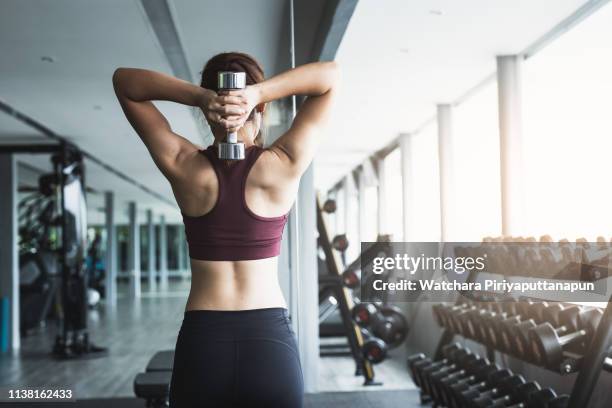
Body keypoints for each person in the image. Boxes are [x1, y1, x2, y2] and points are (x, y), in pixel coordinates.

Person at [112, 52, 339, 407]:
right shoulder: (283, 164)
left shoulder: (184, 165)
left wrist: (202, 97)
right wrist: (257, 94)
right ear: (260, 110)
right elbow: (330, 78)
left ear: (206, 112)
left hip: (204, 340)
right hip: (270, 341)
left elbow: (125, 83)